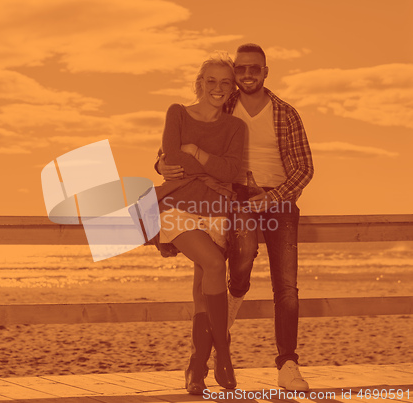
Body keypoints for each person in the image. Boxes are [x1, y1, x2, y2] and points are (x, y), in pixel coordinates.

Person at [157, 43, 314, 392]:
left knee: (286, 285)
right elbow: (172, 150)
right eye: (240, 69)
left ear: (265, 72)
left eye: (253, 69)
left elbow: (304, 170)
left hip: (277, 199)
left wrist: (269, 198)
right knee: (238, 261)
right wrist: (163, 164)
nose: (245, 75)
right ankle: (230, 307)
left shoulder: (284, 113)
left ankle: (286, 363)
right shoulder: (221, 104)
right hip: (232, 199)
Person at [154, 52, 246, 394]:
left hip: (217, 210)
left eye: (225, 82)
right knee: (213, 262)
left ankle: (196, 367)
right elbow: (172, 158)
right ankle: (224, 356)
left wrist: (195, 152)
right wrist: (187, 160)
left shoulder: (236, 127)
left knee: (201, 293)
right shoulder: (177, 112)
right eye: (211, 81)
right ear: (200, 83)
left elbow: (231, 171)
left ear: (232, 87)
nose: (218, 88)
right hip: (178, 206)